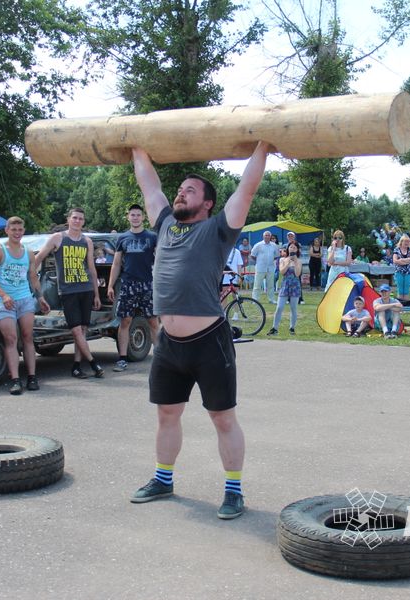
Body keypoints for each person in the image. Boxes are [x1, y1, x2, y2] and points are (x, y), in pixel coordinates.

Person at [129, 141, 271, 520]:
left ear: (208, 203)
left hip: (210, 343)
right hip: (169, 345)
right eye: (180, 189)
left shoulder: (219, 229)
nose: (180, 193)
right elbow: (150, 188)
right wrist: (139, 147)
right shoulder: (166, 225)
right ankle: (163, 479)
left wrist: (263, 145)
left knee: (223, 419)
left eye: (190, 190)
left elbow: (247, 189)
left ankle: (234, 490)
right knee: (166, 415)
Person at [35, 207, 105, 379]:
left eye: (81, 219)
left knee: (82, 329)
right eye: (75, 218)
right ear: (68, 219)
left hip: (86, 288)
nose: (77, 221)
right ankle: (93, 363)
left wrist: (96, 294)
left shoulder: (87, 241)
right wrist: (30, 274)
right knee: (75, 331)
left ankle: (76, 366)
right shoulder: (58, 238)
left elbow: (91, 268)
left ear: (84, 221)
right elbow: (38, 257)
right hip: (68, 291)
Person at [0, 217, 48, 395]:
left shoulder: (27, 252)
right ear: (7, 230)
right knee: (11, 339)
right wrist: (3, 295)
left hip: (25, 299)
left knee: (28, 337)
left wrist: (40, 297)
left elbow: (33, 276)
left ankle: (32, 377)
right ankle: (15, 379)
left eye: (20, 229)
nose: (17, 233)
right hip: (4, 301)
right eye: (14, 229)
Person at [107, 203, 160, 373]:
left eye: (138, 215)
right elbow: (116, 264)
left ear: (143, 217)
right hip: (128, 284)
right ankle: (122, 359)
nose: (135, 217)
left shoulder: (152, 237)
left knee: (153, 321)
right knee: (125, 322)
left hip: (147, 284)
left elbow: (160, 261)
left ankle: (160, 359)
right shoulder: (122, 238)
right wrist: (110, 285)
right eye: (132, 215)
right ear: (128, 217)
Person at [266, 241, 302, 336]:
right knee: (279, 307)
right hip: (285, 285)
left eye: (294, 247)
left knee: (293, 308)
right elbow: (282, 272)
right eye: (291, 247)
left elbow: (297, 274)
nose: (292, 249)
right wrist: (288, 261)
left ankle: (292, 328)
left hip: (295, 285)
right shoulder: (282, 259)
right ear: (288, 249)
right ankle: (274, 328)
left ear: (297, 249)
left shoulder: (299, 261)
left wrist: (295, 261)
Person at [250, 231, 279, 303]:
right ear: (263, 236)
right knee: (257, 285)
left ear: (270, 237)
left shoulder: (274, 245)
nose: (267, 237)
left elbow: (276, 256)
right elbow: (252, 255)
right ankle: (255, 300)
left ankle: (271, 299)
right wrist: (259, 261)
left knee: (271, 285)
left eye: (268, 235)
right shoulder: (258, 245)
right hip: (260, 267)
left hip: (270, 268)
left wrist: (270, 260)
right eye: (266, 235)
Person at [392, 235, 410, 304]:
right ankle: (400, 305)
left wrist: (402, 260)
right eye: (405, 241)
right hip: (399, 272)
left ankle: (406, 305)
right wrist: (406, 261)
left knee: (406, 290)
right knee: (400, 289)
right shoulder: (396, 249)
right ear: (401, 242)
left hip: (408, 272)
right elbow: (395, 261)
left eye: (408, 242)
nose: (407, 243)